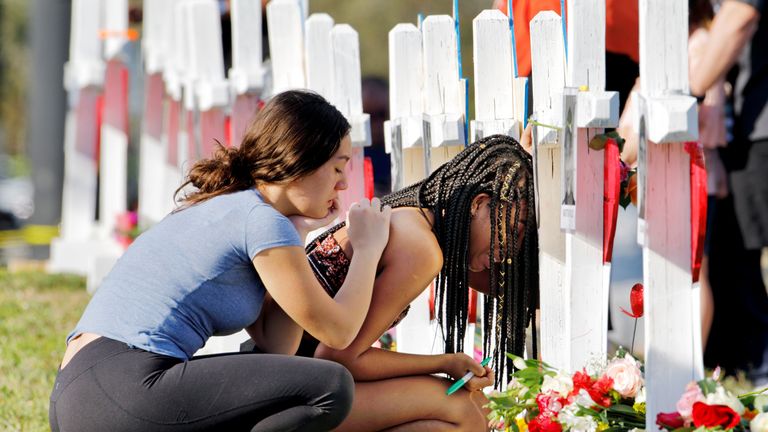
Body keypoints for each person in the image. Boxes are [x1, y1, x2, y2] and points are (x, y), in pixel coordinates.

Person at [48, 90, 392, 431]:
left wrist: (299, 231)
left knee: (281, 384)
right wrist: (366, 248)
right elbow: (338, 331)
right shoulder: (259, 219)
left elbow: (276, 346)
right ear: (300, 160)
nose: (345, 183)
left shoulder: (236, 207)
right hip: (122, 385)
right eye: (337, 168)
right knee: (331, 386)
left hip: (83, 395)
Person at [297, 134, 539, 431]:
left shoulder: (415, 218)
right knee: (462, 411)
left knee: (481, 407)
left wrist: (530, 167)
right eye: (511, 233)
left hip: (301, 378)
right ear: (479, 204)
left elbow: (504, 286)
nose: (510, 252)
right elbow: (339, 356)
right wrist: (444, 363)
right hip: (296, 392)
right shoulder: (420, 249)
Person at [688, 0, 768, 384]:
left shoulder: (704, 36)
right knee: (731, 262)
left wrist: (689, 90)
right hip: (744, 136)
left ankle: (745, 371)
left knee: (728, 262)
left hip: (753, 133)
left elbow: (741, 14)